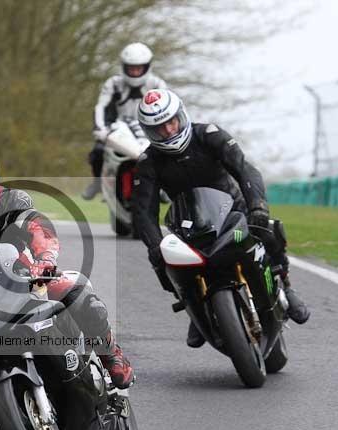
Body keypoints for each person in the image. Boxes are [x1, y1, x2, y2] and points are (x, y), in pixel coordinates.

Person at [0, 144, 135, 390]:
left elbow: (38, 228)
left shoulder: (9, 201)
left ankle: (111, 355)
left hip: (26, 280)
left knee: (78, 293)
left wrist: (44, 260)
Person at [133, 88, 310, 348]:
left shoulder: (209, 135)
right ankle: (195, 307)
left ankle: (284, 282)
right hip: (190, 226)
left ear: (182, 116)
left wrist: (258, 206)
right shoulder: (148, 161)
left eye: (172, 122)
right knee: (163, 259)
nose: (169, 131)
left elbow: (244, 169)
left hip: (233, 210)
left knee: (269, 229)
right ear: (150, 132)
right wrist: (154, 245)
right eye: (161, 128)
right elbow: (143, 210)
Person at [82, 42, 167, 200]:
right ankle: (98, 182)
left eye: (138, 68)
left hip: (148, 129)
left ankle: (163, 187)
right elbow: (101, 107)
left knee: (165, 153)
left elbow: (166, 109)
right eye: (131, 68)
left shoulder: (157, 84)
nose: (135, 72)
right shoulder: (113, 83)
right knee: (98, 151)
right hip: (119, 128)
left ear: (147, 67)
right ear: (124, 67)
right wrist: (100, 129)